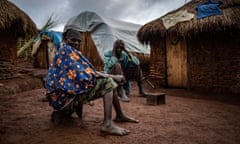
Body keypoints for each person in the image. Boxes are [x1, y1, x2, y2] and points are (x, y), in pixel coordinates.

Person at [45, 29, 139, 136]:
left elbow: (87, 72)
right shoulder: (66, 51)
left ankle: (119, 115)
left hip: (64, 96)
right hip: (65, 99)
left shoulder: (68, 52)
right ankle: (108, 124)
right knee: (107, 82)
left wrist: (106, 74)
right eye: (73, 40)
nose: (76, 43)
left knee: (107, 78)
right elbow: (85, 74)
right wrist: (112, 76)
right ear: (66, 40)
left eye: (79, 41)